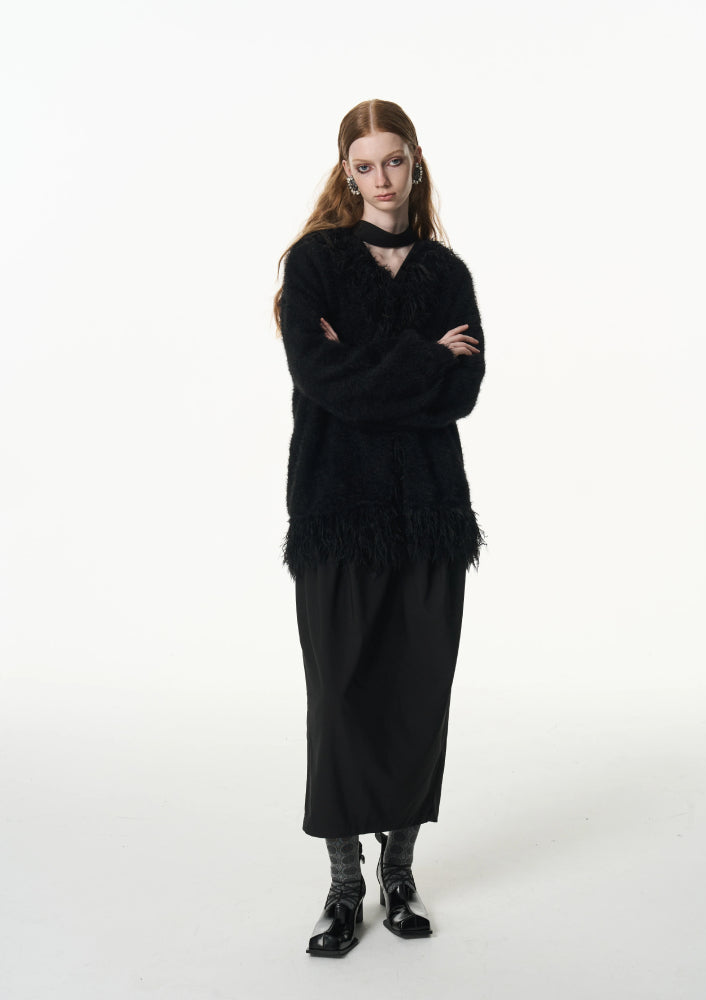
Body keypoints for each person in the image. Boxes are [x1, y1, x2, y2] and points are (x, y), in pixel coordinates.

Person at [273, 98, 486, 957]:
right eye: (364, 166)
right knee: (340, 698)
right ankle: (343, 884)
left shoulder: (446, 272)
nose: (381, 179)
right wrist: (424, 356)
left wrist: (368, 366)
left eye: (393, 160)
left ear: (415, 160)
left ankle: (398, 873)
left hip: (430, 511)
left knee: (417, 694)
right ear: (347, 173)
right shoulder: (315, 263)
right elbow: (320, 379)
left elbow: (463, 394)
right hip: (337, 510)